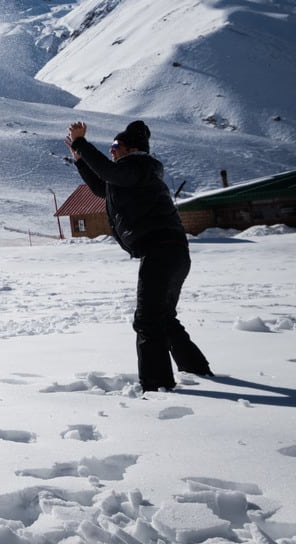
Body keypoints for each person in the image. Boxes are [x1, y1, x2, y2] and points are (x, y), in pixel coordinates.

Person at [66, 119, 213, 392]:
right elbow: (103, 187)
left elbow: (110, 173)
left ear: (132, 149)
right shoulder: (136, 173)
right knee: (163, 316)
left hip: (161, 250)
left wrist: (81, 142)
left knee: (147, 320)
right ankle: (196, 368)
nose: (111, 150)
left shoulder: (136, 167)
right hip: (170, 251)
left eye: (114, 145)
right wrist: (80, 160)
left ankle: (156, 386)